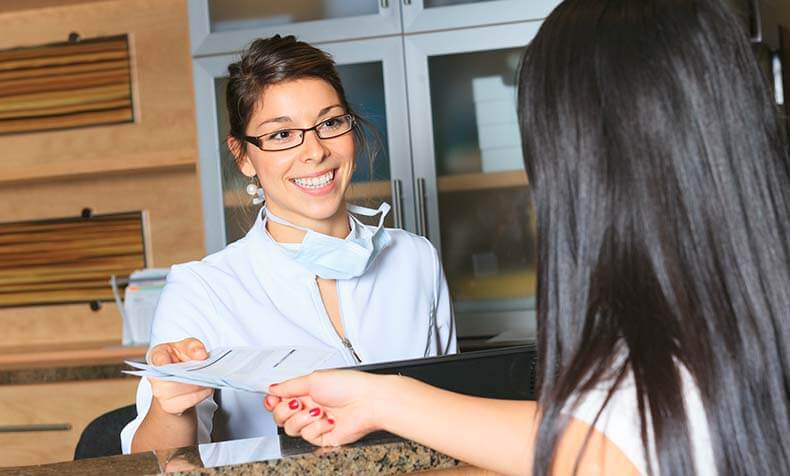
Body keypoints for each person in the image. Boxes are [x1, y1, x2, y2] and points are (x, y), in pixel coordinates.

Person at [266, 0, 790, 474]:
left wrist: (385, 401)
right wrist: (382, 399)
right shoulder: (724, 343)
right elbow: (593, 436)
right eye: (281, 134)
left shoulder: (414, 257)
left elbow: (607, 439)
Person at [121, 35, 457, 454]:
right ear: (243, 155)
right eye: (281, 135)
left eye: (330, 123)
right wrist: (173, 410)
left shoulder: (414, 259)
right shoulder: (204, 289)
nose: (315, 152)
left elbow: (449, 420)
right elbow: (148, 462)